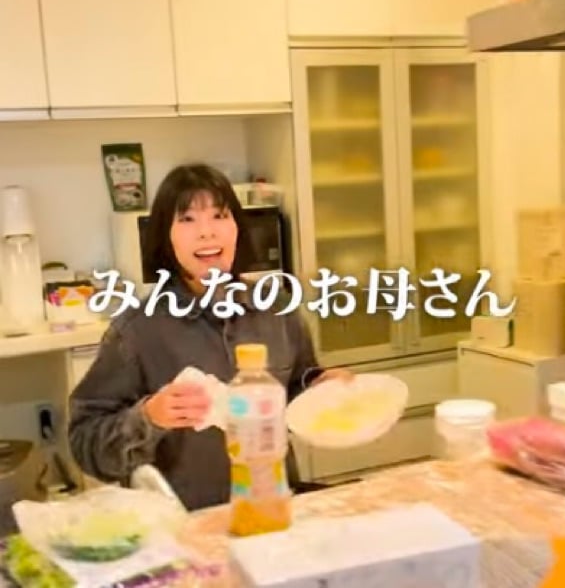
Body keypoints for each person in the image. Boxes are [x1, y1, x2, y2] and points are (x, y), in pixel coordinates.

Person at [68, 163, 352, 511]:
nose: (207, 233)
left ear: (237, 228)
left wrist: (322, 389)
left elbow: (296, 394)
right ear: (166, 236)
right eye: (187, 219)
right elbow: (84, 443)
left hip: (272, 508)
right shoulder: (137, 330)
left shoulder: (276, 308)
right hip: (184, 522)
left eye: (219, 215)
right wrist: (149, 417)